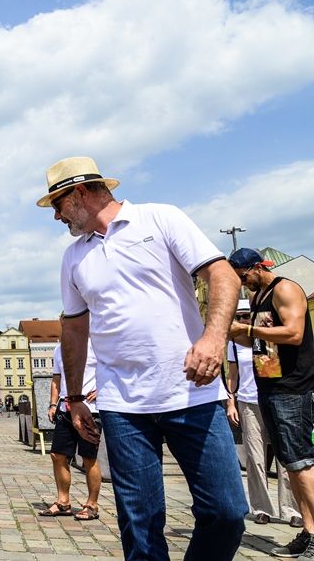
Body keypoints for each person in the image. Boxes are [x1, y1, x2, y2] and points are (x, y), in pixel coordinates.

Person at [39, 156, 246, 561]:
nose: (57, 217)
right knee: (140, 525)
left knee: (226, 513)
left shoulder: (159, 219)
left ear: (80, 193)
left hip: (191, 395)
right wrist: (75, 396)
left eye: (58, 206)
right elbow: (75, 330)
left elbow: (223, 274)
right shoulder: (73, 257)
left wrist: (213, 338)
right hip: (122, 405)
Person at [228, 247, 314, 558]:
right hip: (269, 386)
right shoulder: (257, 297)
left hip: (292, 387)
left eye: (242, 276)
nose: (242, 282)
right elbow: (258, 339)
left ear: (255, 268)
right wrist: (231, 332)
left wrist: (246, 328)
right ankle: (308, 529)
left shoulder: (286, 288)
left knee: (301, 463)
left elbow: (293, 332)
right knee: (291, 463)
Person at [225, 303, 301, 529]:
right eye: (239, 316)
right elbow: (232, 375)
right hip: (248, 402)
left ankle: (291, 509)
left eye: (247, 316)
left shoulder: (266, 337)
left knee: (284, 457)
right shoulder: (234, 344)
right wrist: (231, 401)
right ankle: (261, 508)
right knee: (255, 457)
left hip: (274, 398)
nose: (244, 320)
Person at [39, 337, 102, 521]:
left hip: (90, 408)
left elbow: (111, 369)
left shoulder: (96, 343)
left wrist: (101, 388)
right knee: (57, 455)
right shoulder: (60, 348)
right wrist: (52, 404)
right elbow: (56, 379)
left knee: (89, 457)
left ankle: (92, 504)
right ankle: (63, 502)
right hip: (65, 407)